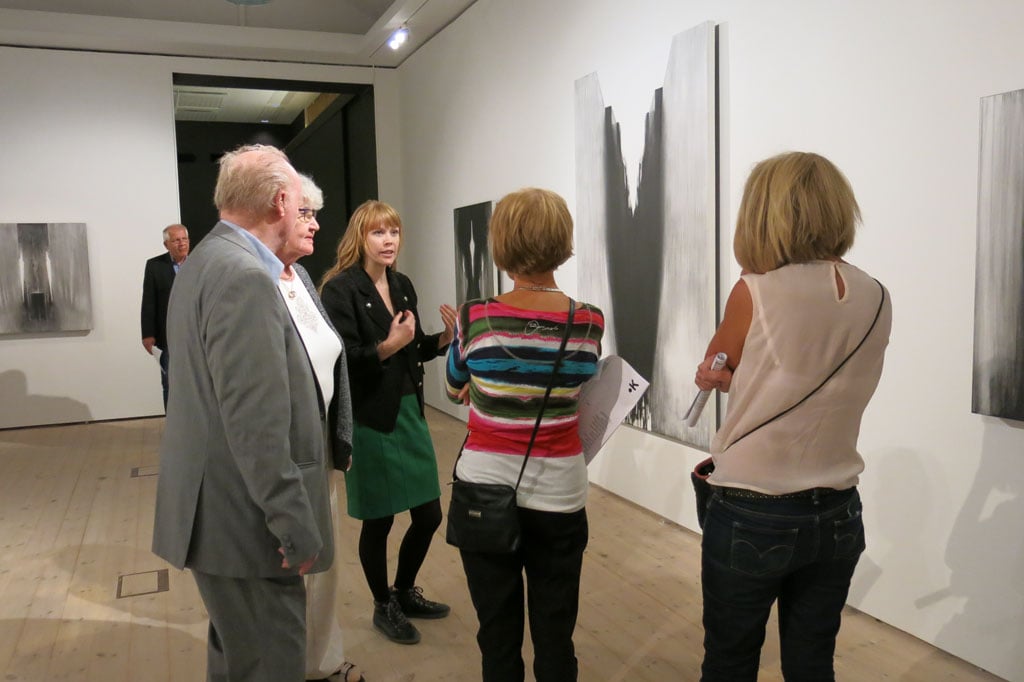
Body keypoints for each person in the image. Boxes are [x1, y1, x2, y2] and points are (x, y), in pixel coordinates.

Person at [693, 151, 892, 681]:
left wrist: (719, 374)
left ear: (764, 214)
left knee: (730, 662)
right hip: (839, 509)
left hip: (754, 507)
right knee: (812, 663)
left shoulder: (755, 290)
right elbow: (806, 375)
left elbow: (716, 364)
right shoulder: (876, 295)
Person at [152, 144, 333, 682]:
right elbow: (255, 425)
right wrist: (293, 524)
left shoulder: (204, 260)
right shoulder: (245, 277)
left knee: (237, 657)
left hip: (216, 515)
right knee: (270, 662)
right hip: (246, 524)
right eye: (300, 203)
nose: (305, 215)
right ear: (280, 202)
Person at [444, 187, 605, 682]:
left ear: (502, 242)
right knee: (556, 633)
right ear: (562, 241)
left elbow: (453, 388)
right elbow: (579, 384)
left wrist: (483, 386)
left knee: (497, 634)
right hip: (560, 490)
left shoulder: (474, 316)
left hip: (485, 487)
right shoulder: (588, 320)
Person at [319, 199, 456, 646]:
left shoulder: (402, 284)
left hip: (409, 412)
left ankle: (404, 591)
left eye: (394, 231)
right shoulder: (339, 290)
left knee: (429, 515)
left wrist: (443, 339)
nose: (388, 240)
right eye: (378, 232)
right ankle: (383, 605)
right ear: (360, 237)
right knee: (379, 521)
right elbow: (342, 359)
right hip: (369, 418)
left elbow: (411, 349)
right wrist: (388, 346)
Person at [274, 173, 364, 682]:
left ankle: (323, 661)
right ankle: (293, 665)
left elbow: (331, 360)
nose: (315, 224)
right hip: (286, 456)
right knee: (292, 566)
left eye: (314, 214)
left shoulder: (302, 278)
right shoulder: (259, 281)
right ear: (277, 212)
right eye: (306, 213)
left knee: (325, 566)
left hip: (321, 450)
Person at [140, 223, 189, 407]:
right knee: (170, 382)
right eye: (176, 240)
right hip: (168, 336)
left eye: (184, 239)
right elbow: (149, 301)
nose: (182, 243)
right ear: (166, 244)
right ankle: (173, 422)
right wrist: (147, 334)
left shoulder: (199, 263)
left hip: (196, 334)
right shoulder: (155, 266)